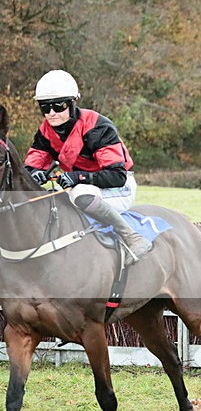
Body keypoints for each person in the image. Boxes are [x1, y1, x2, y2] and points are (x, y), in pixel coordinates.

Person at [25, 69, 152, 265]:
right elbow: (29, 167)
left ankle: (132, 237)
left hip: (118, 188)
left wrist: (78, 177)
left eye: (58, 106)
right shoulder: (45, 132)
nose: (51, 113)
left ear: (72, 103)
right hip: (84, 187)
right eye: (45, 107)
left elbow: (116, 176)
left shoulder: (98, 127)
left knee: (79, 194)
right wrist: (35, 174)